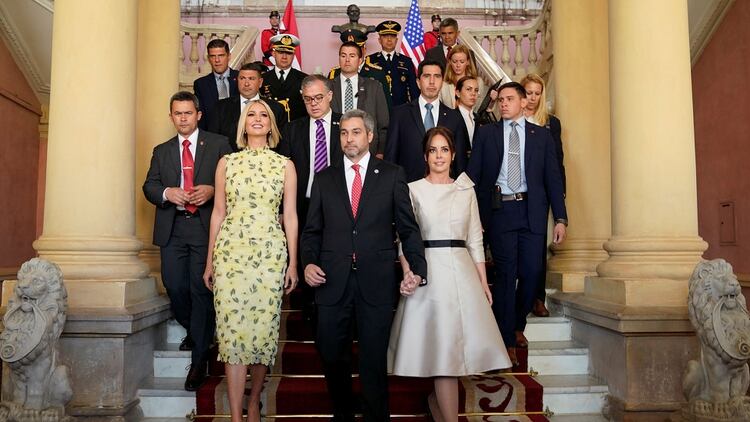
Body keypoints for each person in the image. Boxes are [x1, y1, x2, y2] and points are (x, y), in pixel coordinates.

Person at [301, 109, 427, 421]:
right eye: (344, 133)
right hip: (331, 282)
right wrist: (307, 263)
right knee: (331, 354)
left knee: (372, 360)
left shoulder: (392, 174)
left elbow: (408, 228)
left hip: (376, 280)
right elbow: (312, 230)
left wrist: (418, 269)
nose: (349, 138)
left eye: (356, 132)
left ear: (370, 136)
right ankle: (342, 412)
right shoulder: (325, 177)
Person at [388, 127, 511, 421]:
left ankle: (437, 404)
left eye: (444, 150)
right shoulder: (413, 189)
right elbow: (405, 236)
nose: (439, 156)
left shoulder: (465, 189)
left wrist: (483, 282)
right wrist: (409, 272)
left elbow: (475, 239)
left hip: (461, 272)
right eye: (433, 150)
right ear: (425, 156)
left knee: (454, 355)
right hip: (427, 273)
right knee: (443, 355)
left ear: (453, 155)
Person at [203, 99, 299, 422]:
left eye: (263, 116)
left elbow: (290, 216)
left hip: (270, 256)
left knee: (263, 334)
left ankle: (255, 400)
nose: (257, 119)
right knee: (232, 335)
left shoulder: (284, 165)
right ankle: (234, 416)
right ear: (243, 124)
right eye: (251, 115)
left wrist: (294, 263)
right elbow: (218, 213)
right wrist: (209, 262)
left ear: (271, 125)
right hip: (231, 255)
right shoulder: (226, 163)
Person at [466, 82, 567, 366]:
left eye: (510, 99)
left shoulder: (542, 136)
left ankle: (517, 323)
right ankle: (506, 339)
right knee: (506, 275)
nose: (504, 104)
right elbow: (474, 176)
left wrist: (560, 217)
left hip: (532, 209)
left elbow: (553, 178)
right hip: (500, 211)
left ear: (524, 102)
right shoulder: (487, 134)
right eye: (500, 101)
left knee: (532, 272)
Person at [142, 91, 232, 391]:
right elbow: (150, 186)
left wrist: (211, 190)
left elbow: (233, 183)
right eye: (177, 114)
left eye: (188, 113)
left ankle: (198, 362)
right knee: (174, 285)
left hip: (206, 228)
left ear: (198, 114)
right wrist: (168, 193)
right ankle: (197, 331)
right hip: (174, 227)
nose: (183, 118)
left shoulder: (219, 144)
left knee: (200, 290)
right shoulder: (162, 150)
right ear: (171, 116)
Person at [277, 75, 343, 319]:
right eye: (307, 100)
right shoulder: (292, 129)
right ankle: (308, 307)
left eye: (318, 98)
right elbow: (283, 172)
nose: (314, 103)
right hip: (302, 204)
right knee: (306, 250)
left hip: (338, 204)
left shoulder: (345, 125)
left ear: (330, 96)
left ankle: (333, 302)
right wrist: (283, 209)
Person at [520, 73, 566, 319]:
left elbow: (558, 162)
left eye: (537, 93)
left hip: (541, 193)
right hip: (516, 193)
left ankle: (538, 298)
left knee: (539, 249)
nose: (533, 98)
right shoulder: (510, 119)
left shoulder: (550, 123)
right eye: (529, 92)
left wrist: (560, 196)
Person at [385, 59, 469, 182]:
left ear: (442, 82)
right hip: (407, 190)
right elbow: (390, 159)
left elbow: (460, 163)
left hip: (445, 192)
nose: (432, 81)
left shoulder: (454, 118)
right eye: (427, 76)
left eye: (437, 76)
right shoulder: (400, 115)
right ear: (418, 82)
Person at [208, 62, 287, 152]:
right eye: (242, 78)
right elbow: (213, 140)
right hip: (229, 162)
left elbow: (282, 142)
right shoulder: (221, 107)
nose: (246, 84)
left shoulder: (276, 108)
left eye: (251, 79)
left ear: (260, 82)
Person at [331, 42, 390, 157]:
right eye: (343, 56)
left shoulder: (374, 87)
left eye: (352, 56)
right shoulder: (328, 86)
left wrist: (380, 152)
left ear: (359, 61)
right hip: (335, 151)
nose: (347, 60)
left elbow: (384, 125)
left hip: (368, 151)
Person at [329, 29, 392, 107]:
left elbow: (385, 105)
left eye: (357, 48)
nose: (353, 51)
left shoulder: (377, 73)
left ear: (364, 49)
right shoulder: (335, 73)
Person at [367, 20, 420, 107]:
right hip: (377, 108)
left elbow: (413, 90)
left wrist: (415, 110)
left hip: (401, 109)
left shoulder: (406, 61)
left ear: (396, 40)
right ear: (379, 40)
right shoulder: (370, 60)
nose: (389, 39)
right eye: (385, 36)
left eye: (392, 36)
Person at [193, 39, 239, 130]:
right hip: (212, 138)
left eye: (221, 55)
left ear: (229, 56)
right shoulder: (201, 84)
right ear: (208, 58)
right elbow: (200, 117)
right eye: (213, 56)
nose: (217, 60)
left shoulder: (241, 78)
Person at [261, 34, 308, 122]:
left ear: (293, 55)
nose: (284, 57)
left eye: (289, 53)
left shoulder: (304, 79)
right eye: (280, 52)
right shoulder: (263, 79)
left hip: (295, 130)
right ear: (273, 53)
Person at [439, 44, 487, 111]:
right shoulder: (443, 85)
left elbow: (480, 109)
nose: (458, 65)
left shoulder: (478, 82)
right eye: (454, 61)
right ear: (450, 62)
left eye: (462, 62)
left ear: (468, 62)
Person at [455, 76, 479, 146]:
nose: (473, 94)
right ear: (458, 93)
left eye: (476, 90)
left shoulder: (478, 118)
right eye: (469, 89)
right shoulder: (450, 117)